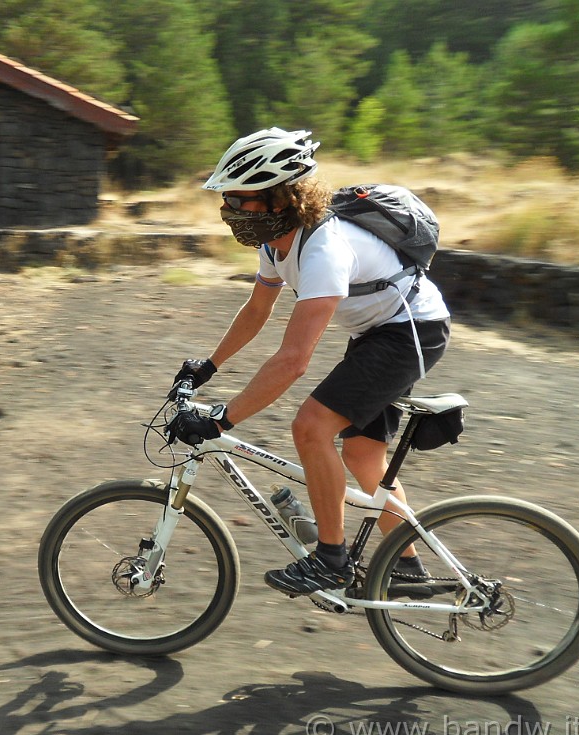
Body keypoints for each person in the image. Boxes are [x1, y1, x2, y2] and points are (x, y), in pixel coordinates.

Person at [167, 127, 451, 596]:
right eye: (227, 201)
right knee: (362, 457)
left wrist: (222, 420)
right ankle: (407, 569)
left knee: (310, 425)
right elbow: (257, 311)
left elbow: (294, 360)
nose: (228, 211)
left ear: (280, 199)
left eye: (240, 201)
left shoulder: (324, 248)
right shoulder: (277, 244)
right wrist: (208, 367)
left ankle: (331, 561)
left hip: (410, 332)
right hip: (378, 334)